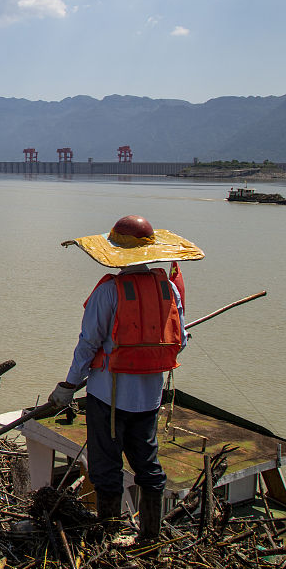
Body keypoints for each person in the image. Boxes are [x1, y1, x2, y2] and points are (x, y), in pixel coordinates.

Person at [48, 214, 202, 544]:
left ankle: (108, 535)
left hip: (108, 397)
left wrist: (68, 385)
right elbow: (181, 340)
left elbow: (88, 343)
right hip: (149, 398)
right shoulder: (169, 288)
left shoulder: (109, 291)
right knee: (148, 466)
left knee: (106, 468)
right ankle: (149, 537)